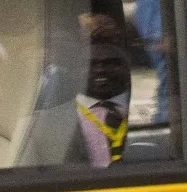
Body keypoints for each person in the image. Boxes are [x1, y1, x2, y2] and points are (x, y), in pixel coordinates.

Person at [16, 15, 138, 169]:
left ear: (127, 68)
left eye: (111, 63)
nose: (100, 70)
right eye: (91, 64)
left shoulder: (151, 117)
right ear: (74, 71)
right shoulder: (38, 129)